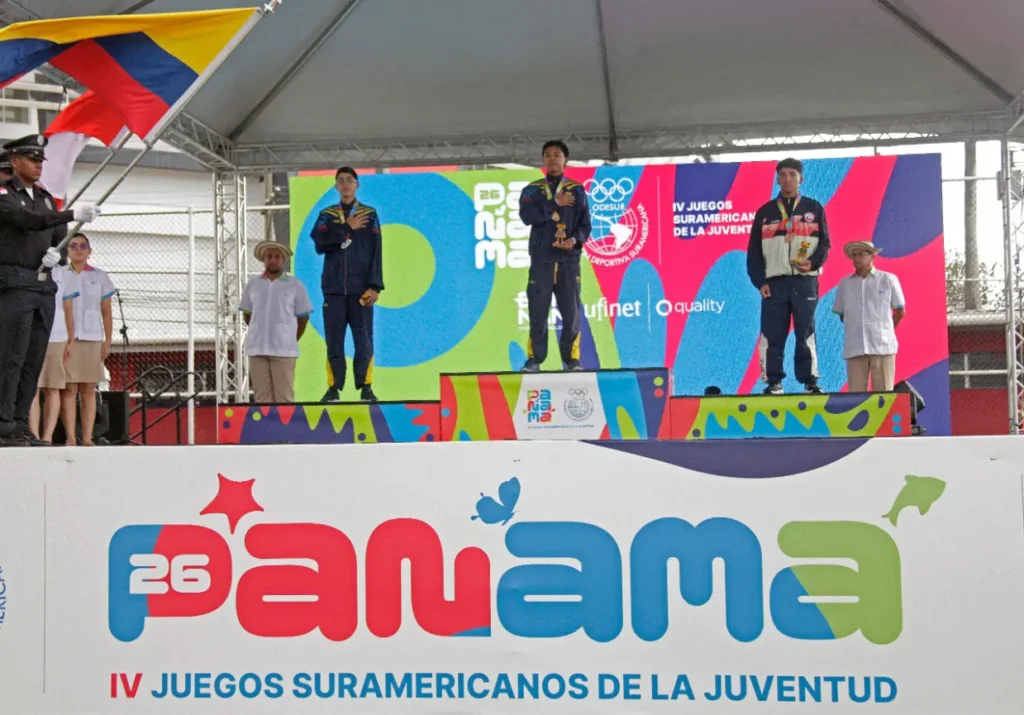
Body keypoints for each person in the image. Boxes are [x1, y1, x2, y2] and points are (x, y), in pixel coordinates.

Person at [0, 134, 101, 446]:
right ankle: (3, 423)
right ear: (15, 161)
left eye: (40, 160)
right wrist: (71, 213)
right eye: (32, 160)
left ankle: (19, 424)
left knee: (33, 359)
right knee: (12, 356)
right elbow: (26, 221)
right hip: (15, 282)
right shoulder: (4, 193)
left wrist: (57, 254)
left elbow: (59, 237)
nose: (38, 165)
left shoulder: (45, 198)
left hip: (43, 286)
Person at [746, 157, 829, 395]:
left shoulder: (814, 208)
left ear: (801, 179)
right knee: (773, 333)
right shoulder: (765, 212)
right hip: (775, 282)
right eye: (782, 175)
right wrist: (760, 282)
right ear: (777, 179)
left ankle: (810, 380)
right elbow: (754, 252)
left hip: (805, 281)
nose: (787, 179)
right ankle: (773, 382)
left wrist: (812, 262)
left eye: (792, 174)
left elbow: (825, 244)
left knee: (806, 331)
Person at [518, 140, 591, 372]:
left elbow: (585, 225)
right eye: (548, 155)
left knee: (571, 312)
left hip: (568, 261)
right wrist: (554, 203)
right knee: (538, 310)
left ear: (565, 160)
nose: (552, 158)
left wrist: (574, 240)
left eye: (557, 154)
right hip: (542, 259)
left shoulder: (577, 190)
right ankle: (535, 359)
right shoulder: (532, 190)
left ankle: (572, 359)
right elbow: (527, 217)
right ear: (543, 160)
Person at [310, 166, 382, 402]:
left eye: (349, 180)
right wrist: (346, 227)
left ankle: (366, 387)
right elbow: (319, 242)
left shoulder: (369, 214)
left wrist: (375, 286)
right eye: (340, 180)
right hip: (333, 289)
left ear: (356, 185)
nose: (345, 184)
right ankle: (333, 389)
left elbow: (376, 251)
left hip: (361, 289)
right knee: (334, 341)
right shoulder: (327, 214)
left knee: (364, 340)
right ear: (336, 186)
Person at [240, 241, 312, 403]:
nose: (272, 260)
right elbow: (247, 314)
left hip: (284, 351)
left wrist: (290, 338)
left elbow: (303, 317)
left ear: (283, 260)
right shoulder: (252, 284)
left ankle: (285, 423)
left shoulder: (295, 285)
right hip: (257, 350)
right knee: (261, 398)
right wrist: (259, 330)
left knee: (284, 398)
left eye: (277, 257)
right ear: (264, 260)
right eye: (269, 256)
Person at [61, 233, 114, 447]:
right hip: (67, 339)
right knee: (69, 388)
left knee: (89, 389)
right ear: (67, 251)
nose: (78, 249)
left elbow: (107, 312)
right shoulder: (61, 275)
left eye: (83, 245)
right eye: (73, 245)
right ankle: (70, 437)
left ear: (89, 251)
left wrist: (107, 340)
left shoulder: (100, 277)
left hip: (92, 337)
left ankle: (87, 437)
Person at [832, 240, 905, 392]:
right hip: (855, 347)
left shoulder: (888, 279)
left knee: (884, 395)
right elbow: (842, 314)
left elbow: (900, 311)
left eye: (861, 254)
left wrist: (886, 330)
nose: (856, 258)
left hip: (883, 347)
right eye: (854, 255)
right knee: (856, 397)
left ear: (872, 256)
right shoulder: (845, 283)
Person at [29, 261, 79, 444]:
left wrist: (71, 340)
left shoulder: (65, 273)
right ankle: (33, 434)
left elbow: (68, 308)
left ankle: (48, 436)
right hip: (32, 334)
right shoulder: (30, 267)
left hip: (57, 336)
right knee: (32, 387)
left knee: (53, 387)